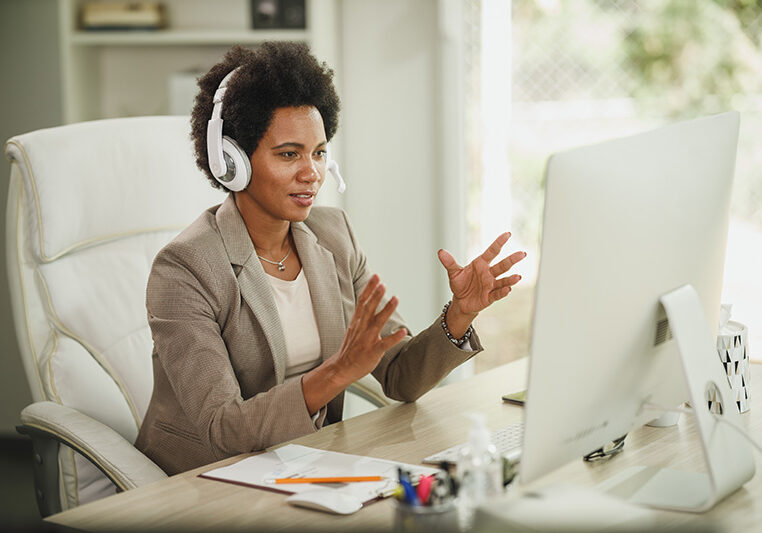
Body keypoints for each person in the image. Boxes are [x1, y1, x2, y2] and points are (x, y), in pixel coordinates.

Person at [135, 42, 526, 475]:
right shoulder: (185, 269)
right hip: (203, 479)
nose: (312, 173)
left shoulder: (333, 235)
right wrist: (336, 374)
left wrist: (459, 315)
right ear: (232, 163)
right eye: (289, 154)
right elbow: (223, 427)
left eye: (319, 152)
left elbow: (400, 377)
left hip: (305, 465)